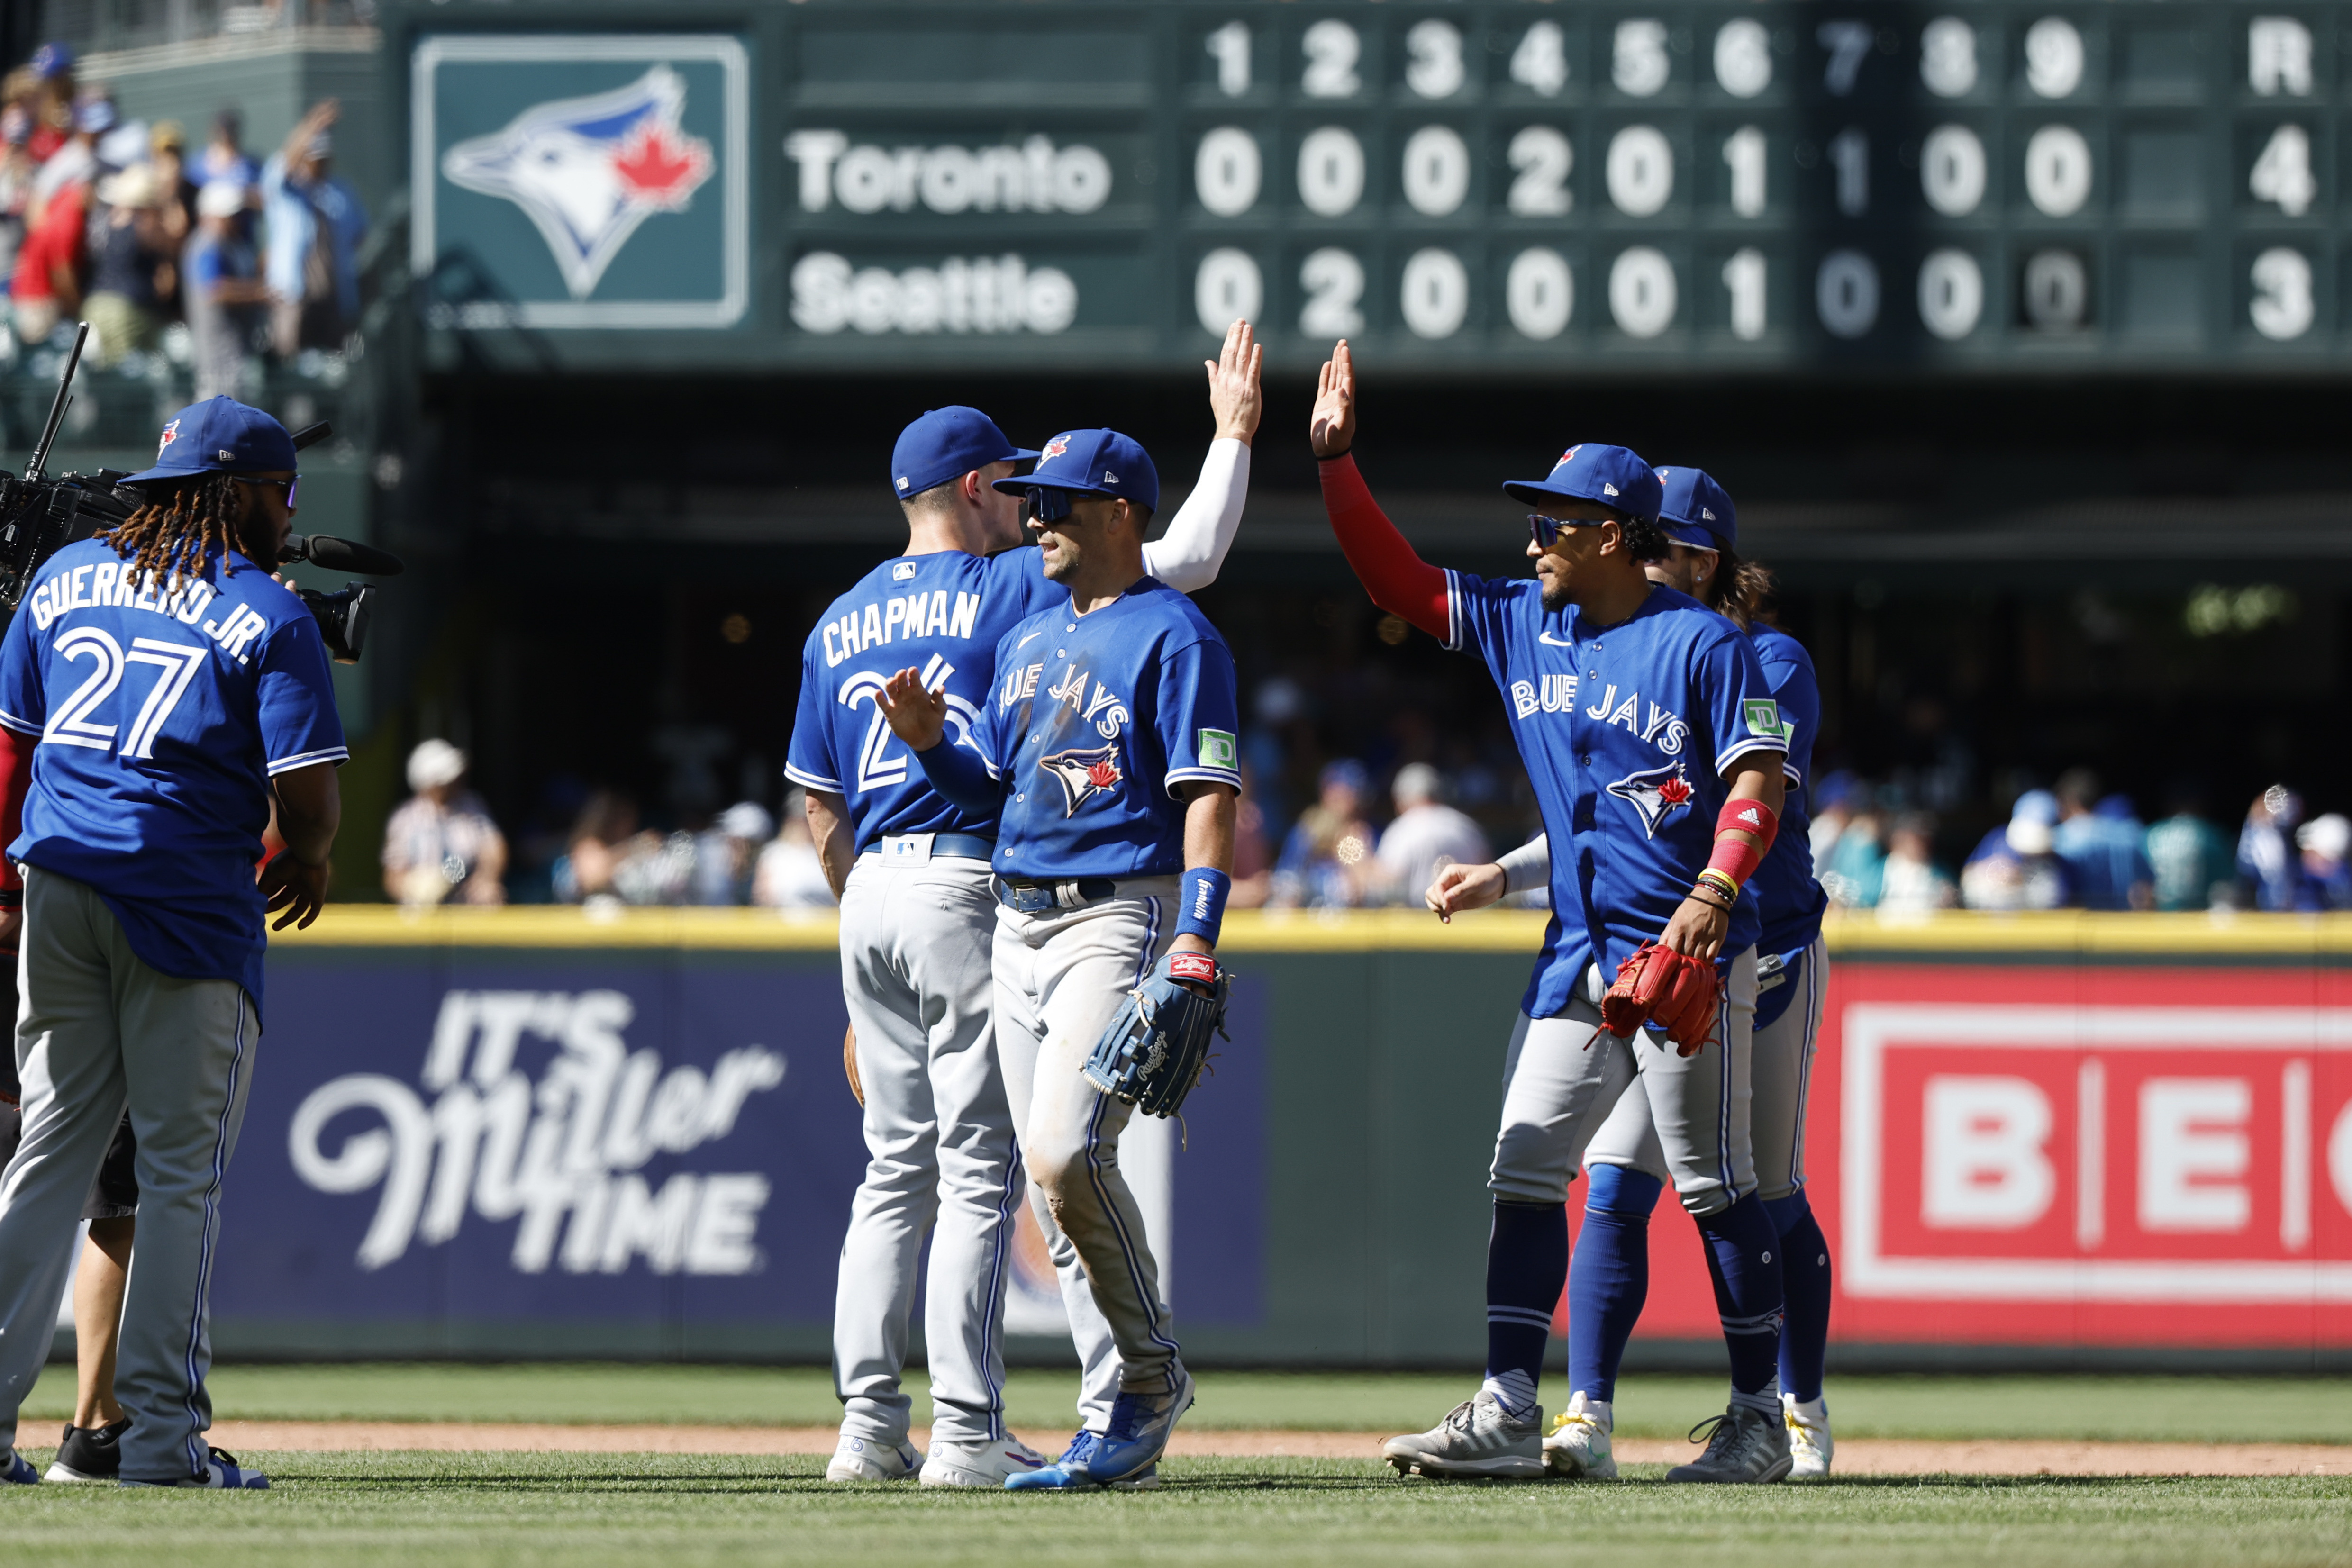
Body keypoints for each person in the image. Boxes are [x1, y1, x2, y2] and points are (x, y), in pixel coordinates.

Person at [1308, 341, 1793, 1485]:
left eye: (1554, 523)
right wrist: (1337, 469)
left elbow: (1758, 783)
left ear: (1616, 535)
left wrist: (1716, 892)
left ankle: (1760, 1417)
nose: (1532, 541)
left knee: (1718, 1185)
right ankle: (1511, 1405)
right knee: (1524, 1165)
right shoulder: (1529, 620)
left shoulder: (1706, 643)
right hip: (1577, 952)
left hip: (1686, 953)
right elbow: (1401, 586)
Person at [785, 324, 1261, 1489]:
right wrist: (1236, 440)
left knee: (924, 1166)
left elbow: (816, 805)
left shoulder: (839, 612)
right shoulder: (1014, 595)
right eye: (1014, 486)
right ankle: (986, 1425)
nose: (1029, 509)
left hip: (892, 887)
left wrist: (863, 952)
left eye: (1049, 495)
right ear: (970, 487)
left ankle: (872, 1426)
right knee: (995, 1170)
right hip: (981, 887)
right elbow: (1185, 548)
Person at [1451, 467, 1838, 1480]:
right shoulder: (1602, 648)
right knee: (1617, 1185)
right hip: (1639, 956)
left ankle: (1793, 1406)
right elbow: (1615, 818)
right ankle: (1585, 1413)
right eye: (1649, 543)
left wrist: (1709, 898)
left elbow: (1718, 808)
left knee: (1764, 1188)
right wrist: (1509, 870)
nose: (1656, 561)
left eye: (1672, 547)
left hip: (1765, 945)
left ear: (1710, 561)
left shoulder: (1763, 656)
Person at [0, 394, 345, 1488]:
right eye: (282, 493)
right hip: (184, 905)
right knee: (178, 1175)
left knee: (49, 1156)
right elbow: (310, 795)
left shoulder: (61, 578)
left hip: (55, 881)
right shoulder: (267, 610)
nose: (289, 517)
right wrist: (309, 854)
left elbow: (10, 751)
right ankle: (157, 1438)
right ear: (239, 491)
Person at [260, 99, 367, 356]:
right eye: (313, 159)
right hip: (294, 297)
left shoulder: (341, 192)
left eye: (324, 159)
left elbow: (360, 234)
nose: (319, 165)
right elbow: (283, 165)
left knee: (335, 365)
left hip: (335, 298)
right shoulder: (287, 191)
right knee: (291, 361)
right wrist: (311, 126)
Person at [381, 739, 506, 906]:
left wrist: (485, 881)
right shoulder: (404, 820)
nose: (453, 783)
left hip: (469, 907)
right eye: (443, 781)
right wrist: (414, 889)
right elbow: (392, 877)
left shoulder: (472, 805)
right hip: (422, 916)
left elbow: (494, 848)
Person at [182, 179, 265, 401]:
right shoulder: (206, 245)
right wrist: (258, 293)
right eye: (229, 215)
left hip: (240, 350)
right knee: (219, 421)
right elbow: (214, 290)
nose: (235, 219)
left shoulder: (236, 244)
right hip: (217, 359)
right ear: (209, 215)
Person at [82, 163, 170, 366]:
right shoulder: (142, 227)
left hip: (97, 305)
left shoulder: (108, 223)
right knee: (126, 378)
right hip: (126, 311)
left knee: (105, 375)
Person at [1373, 762, 1488, 907]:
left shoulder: (1400, 830)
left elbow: (1386, 883)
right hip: (1466, 922)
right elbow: (1486, 874)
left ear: (1401, 799)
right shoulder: (1466, 826)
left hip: (1415, 922)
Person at [1269, 758, 1378, 907]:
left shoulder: (1363, 833)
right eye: (1342, 793)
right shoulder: (1308, 830)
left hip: (1348, 921)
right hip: (1309, 920)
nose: (1352, 800)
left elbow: (1367, 888)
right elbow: (1285, 886)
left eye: (1356, 794)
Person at [2051, 768, 2151, 911]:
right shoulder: (2129, 835)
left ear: (2069, 802)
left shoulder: (2058, 840)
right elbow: (2146, 889)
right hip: (2124, 927)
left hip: (2080, 928)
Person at [1962, 790, 2069, 911]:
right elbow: (1967, 875)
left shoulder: (2064, 860)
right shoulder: (1997, 839)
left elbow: (2065, 901)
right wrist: (1990, 874)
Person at [2144, 785, 2234, 912]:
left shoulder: (2150, 834)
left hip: (2158, 918)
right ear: (2201, 804)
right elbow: (2227, 883)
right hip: (2197, 920)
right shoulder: (2211, 834)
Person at [751, 790, 837, 909]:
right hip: (784, 924)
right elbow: (762, 897)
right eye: (801, 819)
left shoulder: (830, 853)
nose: (806, 824)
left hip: (827, 925)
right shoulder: (773, 854)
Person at [1876, 813, 1956, 913]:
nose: (1923, 843)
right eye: (1917, 837)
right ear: (1898, 838)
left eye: (1926, 838)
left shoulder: (1942, 874)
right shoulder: (1879, 871)